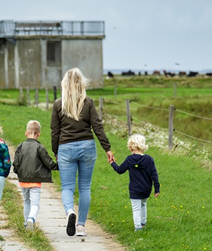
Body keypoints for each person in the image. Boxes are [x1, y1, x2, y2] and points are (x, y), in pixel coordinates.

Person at [51, 68, 115, 237]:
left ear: (65, 84)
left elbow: (55, 131)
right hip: (87, 147)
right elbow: (97, 126)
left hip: (66, 148)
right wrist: (107, 148)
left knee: (67, 187)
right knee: (85, 187)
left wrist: (55, 151)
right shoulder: (88, 102)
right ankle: (80, 226)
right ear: (81, 83)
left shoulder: (58, 104)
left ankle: (70, 211)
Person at [13, 120, 59, 231]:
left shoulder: (20, 146)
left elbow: (16, 163)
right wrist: (57, 166)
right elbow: (48, 162)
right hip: (35, 181)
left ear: (26, 133)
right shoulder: (40, 147)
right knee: (35, 204)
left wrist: (18, 172)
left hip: (23, 180)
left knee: (26, 201)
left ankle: (26, 223)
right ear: (39, 134)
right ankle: (31, 219)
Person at [110, 134, 160, 231]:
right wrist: (157, 189)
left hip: (135, 189)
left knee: (136, 208)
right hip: (146, 189)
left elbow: (120, 170)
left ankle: (138, 228)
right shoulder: (149, 159)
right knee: (143, 205)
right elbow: (154, 175)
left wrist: (112, 163)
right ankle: (143, 223)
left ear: (131, 146)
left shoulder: (129, 159)